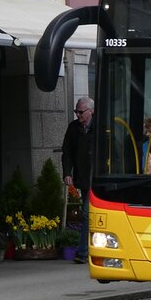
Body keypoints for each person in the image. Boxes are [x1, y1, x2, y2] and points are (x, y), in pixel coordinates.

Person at [61, 95, 95, 265]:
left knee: (87, 214)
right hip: (83, 178)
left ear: (91, 112)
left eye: (81, 112)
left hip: (97, 179)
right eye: (76, 111)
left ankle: (83, 252)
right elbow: (67, 151)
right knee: (88, 214)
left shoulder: (100, 127)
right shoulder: (74, 128)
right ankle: (88, 249)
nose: (78, 115)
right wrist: (67, 172)